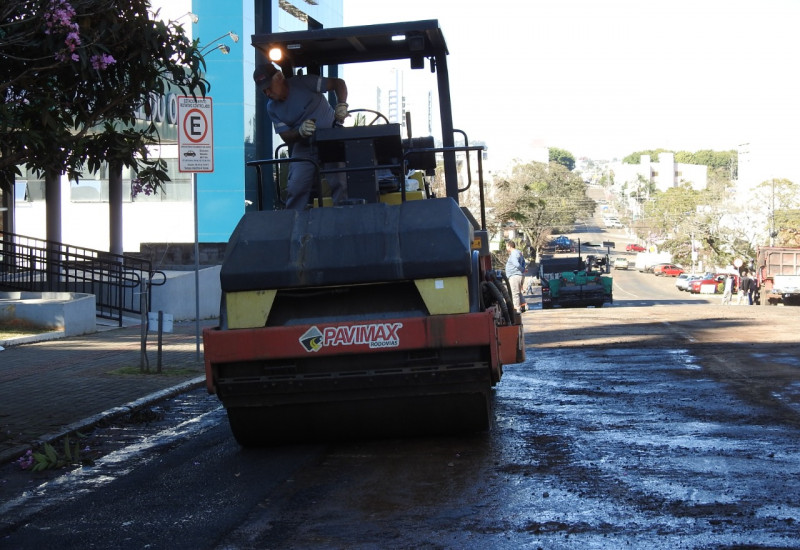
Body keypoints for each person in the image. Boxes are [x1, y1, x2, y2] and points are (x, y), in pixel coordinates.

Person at [254, 63, 349, 210]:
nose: (267, 93)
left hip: (331, 139)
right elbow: (286, 136)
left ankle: (344, 215)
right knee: (295, 186)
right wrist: (300, 132)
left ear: (279, 77)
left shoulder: (306, 82)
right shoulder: (272, 108)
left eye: (269, 87)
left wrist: (342, 105)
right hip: (305, 145)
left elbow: (338, 83)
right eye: (263, 90)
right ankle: (292, 221)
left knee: (340, 182)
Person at [505, 240, 526, 314]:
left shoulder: (513, 254)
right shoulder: (519, 252)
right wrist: (523, 270)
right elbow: (524, 262)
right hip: (519, 275)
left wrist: (522, 269)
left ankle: (517, 309)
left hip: (514, 276)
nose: (506, 248)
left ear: (510, 246)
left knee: (515, 293)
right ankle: (523, 306)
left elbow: (516, 264)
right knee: (518, 292)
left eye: (506, 246)